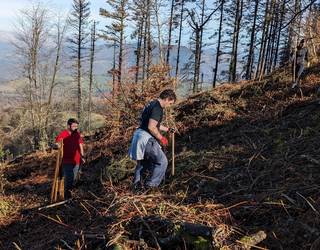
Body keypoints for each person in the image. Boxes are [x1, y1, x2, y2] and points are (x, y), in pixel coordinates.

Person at [129, 89, 177, 191]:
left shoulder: (151, 104)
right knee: (162, 161)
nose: (169, 106)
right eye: (170, 103)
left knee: (143, 164)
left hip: (138, 136)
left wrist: (168, 129)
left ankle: (136, 188)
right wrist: (162, 138)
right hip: (146, 139)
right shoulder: (158, 108)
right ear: (167, 99)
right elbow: (151, 127)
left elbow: (154, 124)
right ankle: (150, 187)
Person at [55, 118, 85, 199]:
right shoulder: (63, 134)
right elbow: (58, 142)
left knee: (74, 179)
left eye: (76, 126)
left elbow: (80, 145)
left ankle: (71, 196)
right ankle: (67, 198)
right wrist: (58, 145)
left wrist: (82, 156)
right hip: (66, 161)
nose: (76, 127)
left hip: (77, 160)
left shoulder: (77, 134)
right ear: (68, 125)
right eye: (74, 126)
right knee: (69, 179)